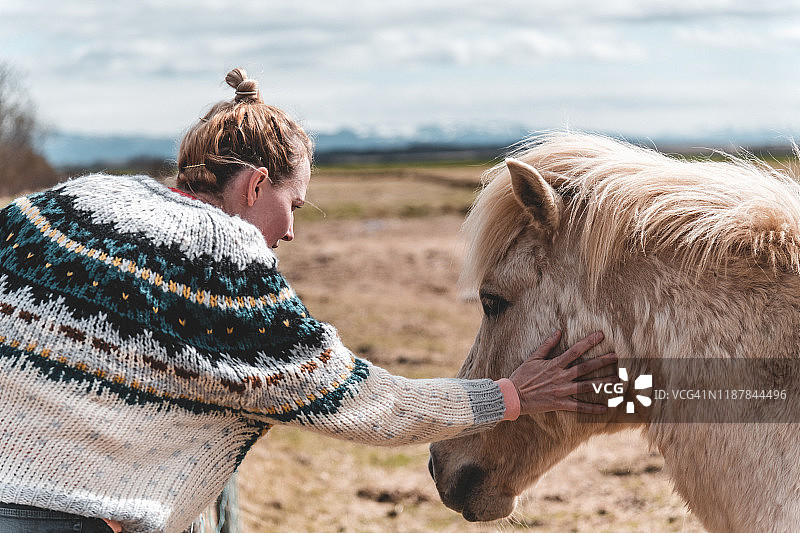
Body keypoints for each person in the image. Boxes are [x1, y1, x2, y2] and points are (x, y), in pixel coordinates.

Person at [0, 68, 618, 533]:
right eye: (292, 205)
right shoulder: (224, 262)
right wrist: (512, 395)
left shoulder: (59, 207)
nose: (291, 232)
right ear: (256, 185)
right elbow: (368, 404)